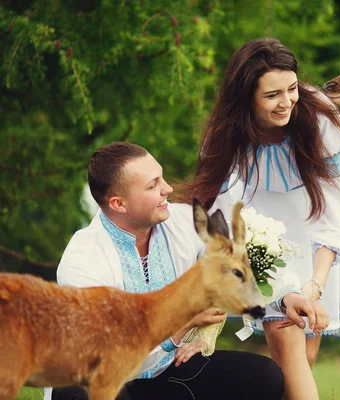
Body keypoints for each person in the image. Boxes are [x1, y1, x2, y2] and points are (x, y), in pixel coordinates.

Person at [176, 38, 340, 400]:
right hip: (258, 236)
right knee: (286, 337)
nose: (287, 100)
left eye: (291, 88)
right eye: (272, 94)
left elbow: (334, 214)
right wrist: (272, 281)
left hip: (317, 231)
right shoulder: (223, 136)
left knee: (301, 358)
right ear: (246, 98)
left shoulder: (319, 118)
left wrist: (313, 286)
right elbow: (228, 215)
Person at [50, 142, 285, 400]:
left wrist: (288, 296)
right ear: (119, 203)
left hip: (168, 372)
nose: (168, 189)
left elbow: (242, 263)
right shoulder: (84, 261)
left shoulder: (183, 222)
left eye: (161, 178)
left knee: (262, 376)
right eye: (153, 185)